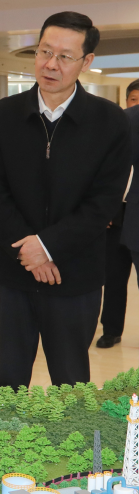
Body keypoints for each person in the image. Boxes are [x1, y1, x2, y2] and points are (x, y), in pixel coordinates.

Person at [0, 11, 130, 396]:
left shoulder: (110, 122)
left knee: (71, 384)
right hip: (12, 272)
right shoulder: (2, 116)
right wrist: (28, 251)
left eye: (65, 56)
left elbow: (104, 203)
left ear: (86, 61)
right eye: (45, 51)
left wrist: (47, 247)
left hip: (74, 274)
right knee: (8, 384)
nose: (51, 64)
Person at [110, 80, 139, 346]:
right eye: (134, 98)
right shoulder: (123, 122)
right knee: (114, 276)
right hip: (117, 213)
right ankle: (111, 329)